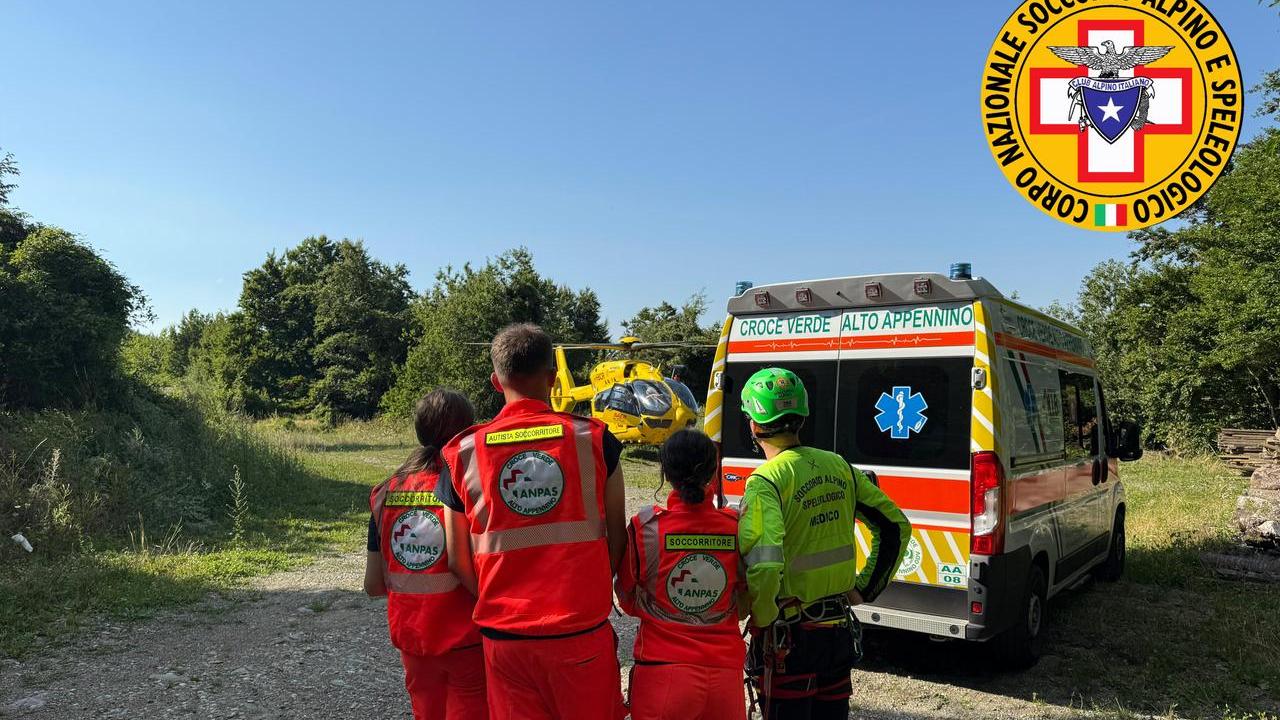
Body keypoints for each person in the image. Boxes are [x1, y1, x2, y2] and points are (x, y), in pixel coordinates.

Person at [435, 323, 628, 720]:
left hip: (505, 639)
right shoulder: (594, 439)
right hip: (580, 633)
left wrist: (497, 600)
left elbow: (457, 559)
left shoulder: (462, 453)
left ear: (495, 381)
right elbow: (616, 538)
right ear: (553, 378)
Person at [737, 367, 912, 719]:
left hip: (789, 640)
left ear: (753, 424)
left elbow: (766, 561)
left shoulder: (766, 482)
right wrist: (864, 589)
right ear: (802, 417)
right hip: (836, 635)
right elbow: (895, 526)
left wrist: (764, 617)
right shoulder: (839, 466)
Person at [364, 389, 487, 720]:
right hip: (468, 637)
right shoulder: (469, 488)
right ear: (466, 432)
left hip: (413, 640)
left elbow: (374, 585)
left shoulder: (384, 493)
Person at [616, 429, 747, 720]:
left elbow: (625, 597)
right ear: (714, 472)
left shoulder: (645, 528)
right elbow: (746, 593)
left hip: (662, 672)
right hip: (725, 675)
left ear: (665, 473)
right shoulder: (736, 527)